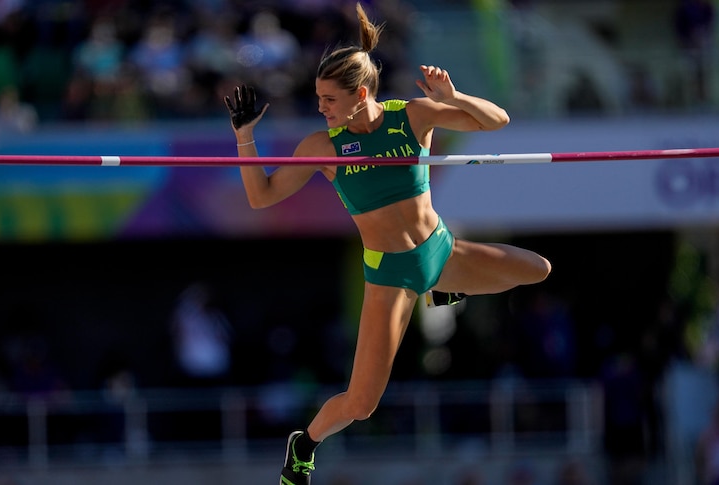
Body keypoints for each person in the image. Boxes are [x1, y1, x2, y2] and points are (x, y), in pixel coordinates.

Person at [223, 3, 551, 484]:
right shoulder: (324, 146)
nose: (321, 108)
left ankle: (442, 290)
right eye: (318, 99)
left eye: (329, 100)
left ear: (360, 94)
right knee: (361, 404)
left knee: (538, 269)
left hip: (439, 249)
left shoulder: (412, 116)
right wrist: (244, 137)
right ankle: (304, 445)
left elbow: (496, 121)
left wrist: (455, 96)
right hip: (392, 274)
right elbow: (262, 196)